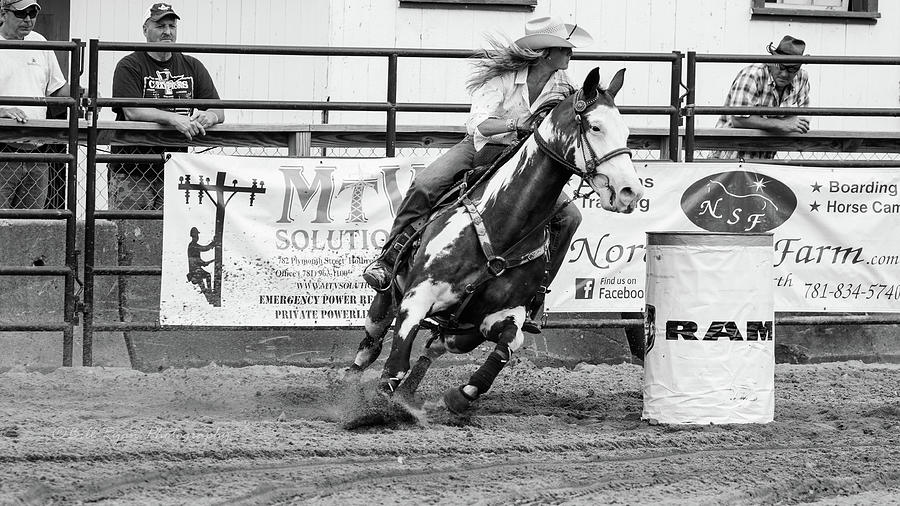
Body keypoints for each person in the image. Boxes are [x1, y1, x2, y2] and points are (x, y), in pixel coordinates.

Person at [362, 16, 593, 332]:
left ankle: (535, 295)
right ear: (545, 54)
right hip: (481, 148)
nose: (571, 55)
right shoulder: (501, 79)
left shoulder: (564, 87)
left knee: (570, 218)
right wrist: (517, 127)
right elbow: (479, 125)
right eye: (564, 49)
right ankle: (388, 261)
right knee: (426, 183)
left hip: (522, 163)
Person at [109, 2, 224, 211]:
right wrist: (173, 118)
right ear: (145, 29)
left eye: (172, 26)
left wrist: (210, 117)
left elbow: (219, 111)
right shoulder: (129, 65)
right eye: (160, 26)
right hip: (132, 169)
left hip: (175, 169)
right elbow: (132, 111)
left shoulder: (192, 65)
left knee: (171, 237)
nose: (167, 32)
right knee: (127, 235)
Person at [0, 0, 70, 209]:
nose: (28, 19)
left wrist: (82, 91)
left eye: (32, 13)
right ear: (4, 14)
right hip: (3, 148)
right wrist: (2, 111)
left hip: (37, 151)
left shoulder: (40, 41)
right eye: (21, 13)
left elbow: (57, 89)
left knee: (31, 227)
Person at [711, 35, 811, 160]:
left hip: (766, 154)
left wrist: (783, 124)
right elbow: (738, 119)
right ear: (772, 61)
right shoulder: (752, 74)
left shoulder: (801, 78)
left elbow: (802, 121)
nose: (785, 74)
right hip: (731, 153)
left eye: (792, 69)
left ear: (799, 67)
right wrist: (781, 124)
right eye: (781, 66)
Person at [186, 226, 215, 294]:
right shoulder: (193, 245)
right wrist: (213, 243)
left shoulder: (192, 245)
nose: (198, 237)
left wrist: (204, 263)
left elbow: (196, 259)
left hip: (195, 270)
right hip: (195, 271)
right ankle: (208, 291)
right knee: (207, 275)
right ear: (195, 235)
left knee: (204, 279)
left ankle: (207, 291)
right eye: (197, 235)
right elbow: (205, 248)